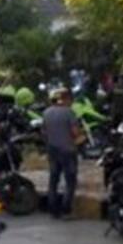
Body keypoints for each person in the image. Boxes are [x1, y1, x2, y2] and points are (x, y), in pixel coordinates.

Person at [42, 88, 82, 220]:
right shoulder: (69, 113)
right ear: (67, 99)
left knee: (53, 179)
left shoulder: (46, 112)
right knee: (70, 181)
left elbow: (44, 133)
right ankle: (66, 209)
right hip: (68, 150)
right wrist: (81, 138)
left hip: (52, 150)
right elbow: (75, 132)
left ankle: (53, 209)